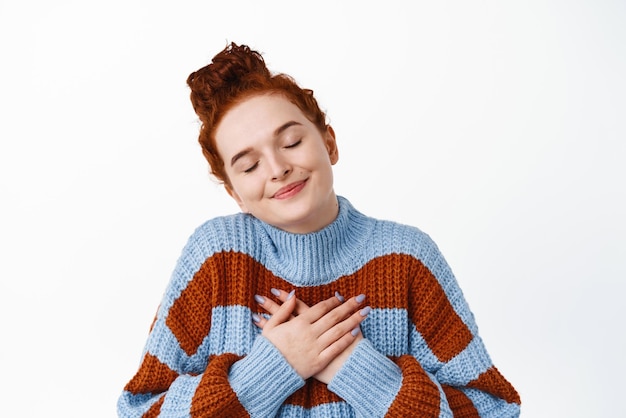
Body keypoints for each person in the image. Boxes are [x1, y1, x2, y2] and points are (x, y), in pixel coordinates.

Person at [118, 42, 521, 417]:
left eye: (291, 142)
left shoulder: (407, 257)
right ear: (234, 192)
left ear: (329, 142)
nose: (277, 169)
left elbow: (494, 408)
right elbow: (139, 409)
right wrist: (274, 368)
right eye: (249, 165)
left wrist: (358, 369)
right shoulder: (217, 255)